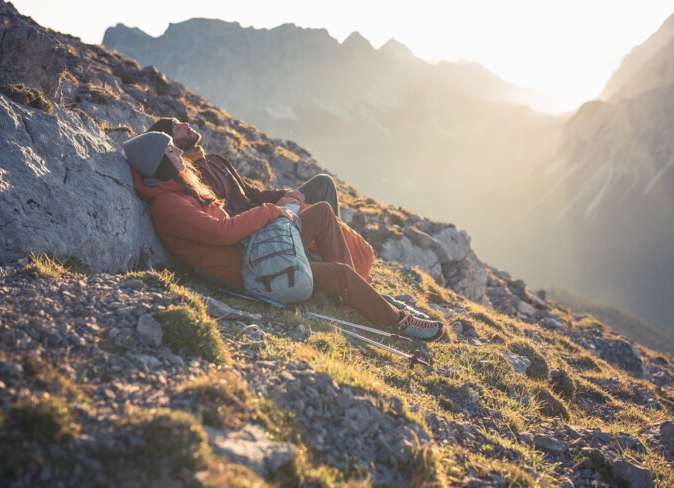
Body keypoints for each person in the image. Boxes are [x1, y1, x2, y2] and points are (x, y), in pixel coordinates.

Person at [123, 131, 443, 341]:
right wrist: (273, 212)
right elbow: (221, 233)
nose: (178, 153)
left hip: (255, 249)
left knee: (321, 212)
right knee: (341, 274)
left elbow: (230, 220)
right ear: (159, 163)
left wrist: (277, 209)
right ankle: (397, 321)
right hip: (254, 269)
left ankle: (347, 300)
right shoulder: (168, 204)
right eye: (170, 151)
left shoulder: (177, 190)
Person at [147, 118, 373, 280]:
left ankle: (331, 255)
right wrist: (272, 210)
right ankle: (340, 271)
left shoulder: (215, 160)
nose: (186, 125)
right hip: (258, 227)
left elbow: (250, 191)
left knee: (323, 183)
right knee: (320, 211)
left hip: (266, 210)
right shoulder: (190, 179)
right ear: (171, 145)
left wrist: (283, 195)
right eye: (177, 128)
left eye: (181, 122)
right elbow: (224, 220)